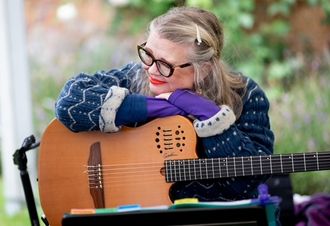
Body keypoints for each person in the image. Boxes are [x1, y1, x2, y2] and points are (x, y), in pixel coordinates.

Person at [55, 6, 274, 202]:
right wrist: (160, 106)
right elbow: (69, 103)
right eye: (147, 55)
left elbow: (247, 183)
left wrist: (210, 116)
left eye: (164, 65)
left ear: (204, 68)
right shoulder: (134, 77)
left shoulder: (245, 95)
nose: (150, 69)